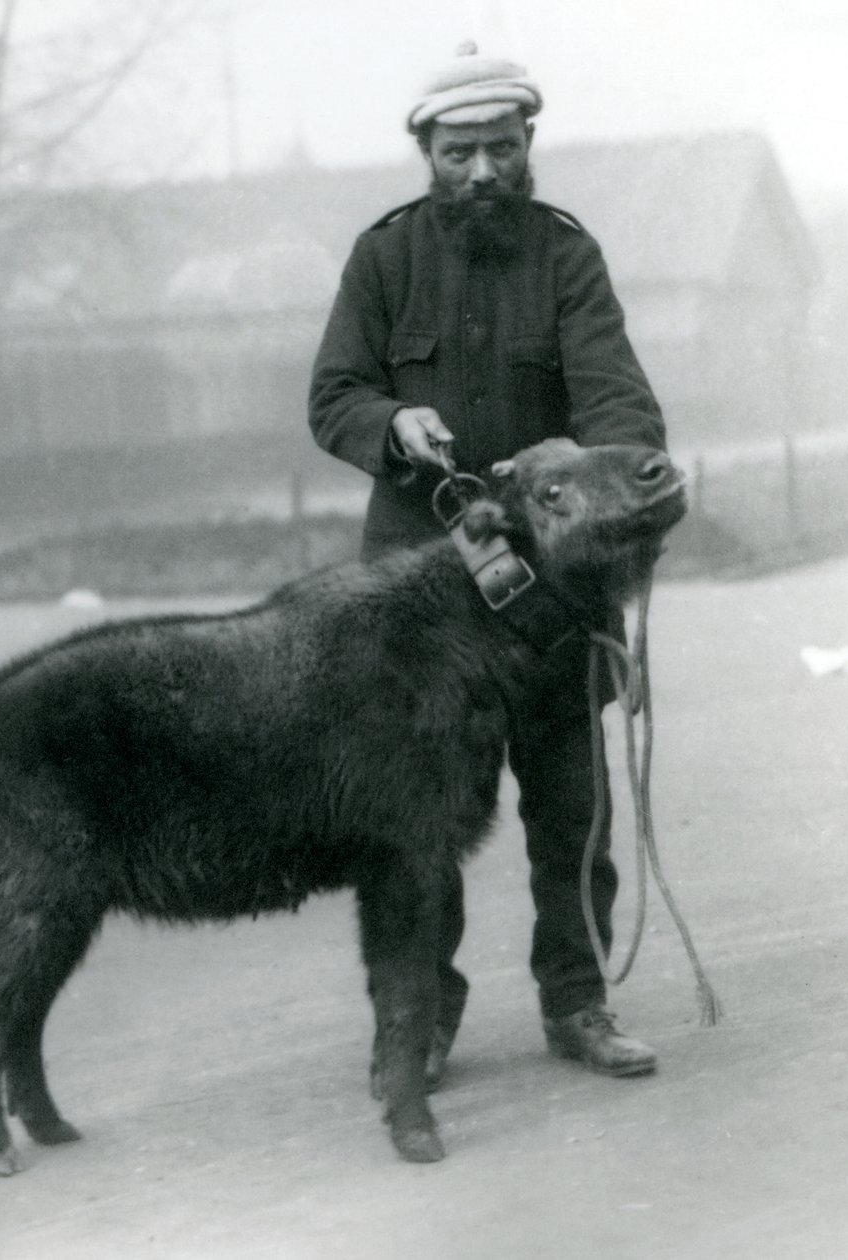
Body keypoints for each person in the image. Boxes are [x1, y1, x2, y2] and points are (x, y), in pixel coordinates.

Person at [309, 41, 666, 1076]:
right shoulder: (382, 260)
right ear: (425, 149)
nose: (481, 173)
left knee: (571, 810)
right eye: (460, 151)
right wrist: (391, 421)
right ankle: (422, 1019)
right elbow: (331, 397)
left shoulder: (565, 256)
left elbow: (622, 400)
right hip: (421, 604)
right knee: (418, 825)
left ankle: (579, 1003)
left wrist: (576, 454)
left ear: (527, 144)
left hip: (555, 594)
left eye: (500, 149)